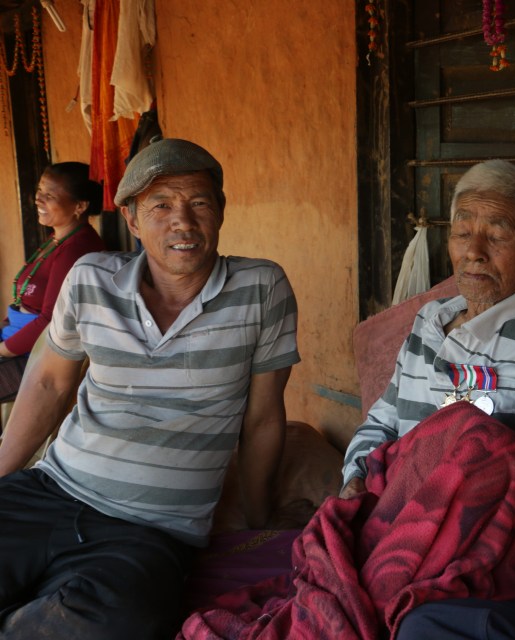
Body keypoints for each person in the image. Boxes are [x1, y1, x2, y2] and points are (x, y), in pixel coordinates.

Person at [0, 138, 300, 640]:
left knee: (121, 622)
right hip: (50, 490)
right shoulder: (90, 277)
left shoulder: (262, 288)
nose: (182, 221)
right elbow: (50, 383)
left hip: (150, 528)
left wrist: (258, 519)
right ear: (133, 221)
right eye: (161, 206)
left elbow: (264, 417)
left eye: (199, 203)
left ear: (221, 212)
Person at [341, 159, 515, 511]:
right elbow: (383, 421)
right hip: (389, 523)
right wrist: (355, 480)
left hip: (486, 548)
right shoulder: (429, 320)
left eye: (498, 236)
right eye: (462, 234)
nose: (474, 252)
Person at [0, 162, 105, 402]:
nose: (38, 200)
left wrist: (3, 350)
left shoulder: (77, 249)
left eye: (50, 195)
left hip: (38, 356)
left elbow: (50, 320)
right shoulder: (56, 240)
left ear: (80, 206)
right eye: (39, 191)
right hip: (15, 340)